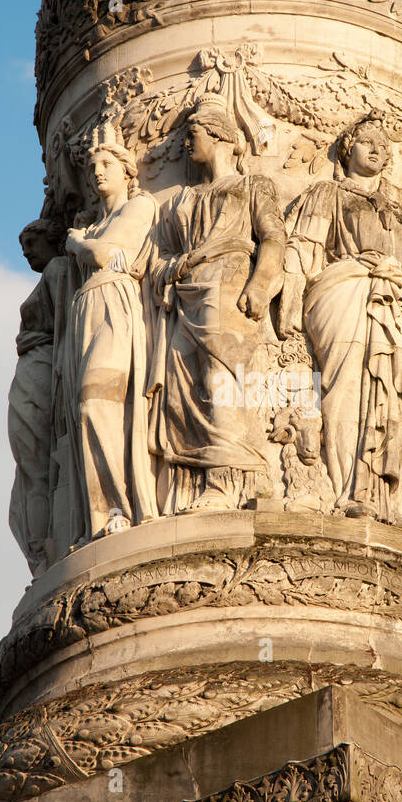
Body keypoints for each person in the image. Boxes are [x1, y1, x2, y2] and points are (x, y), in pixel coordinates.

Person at [148, 97, 285, 513]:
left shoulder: (251, 186)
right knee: (181, 391)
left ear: (221, 136)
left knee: (219, 380)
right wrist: (175, 268)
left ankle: (227, 481)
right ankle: (194, 481)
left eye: (193, 135)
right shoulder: (180, 201)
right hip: (188, 291)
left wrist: (260, 286)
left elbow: (274, 238)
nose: (187, 144)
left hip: (228, 285)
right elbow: (160, 258)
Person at [279, 116, 402, 523]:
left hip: (389, 298)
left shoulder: (398, 210)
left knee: (389, 393)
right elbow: (302, 247)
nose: (377, 149)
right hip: (344, 289)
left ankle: (374, 490)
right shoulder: (328, 193)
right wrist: (288, 302)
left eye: (383, 144)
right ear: (347, 150)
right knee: (345, 387)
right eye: (367, 142)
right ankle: (343, 491)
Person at [63, 138, 159, 541]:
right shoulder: (95, 225)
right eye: (91, 167)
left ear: (127, 171)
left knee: (95, 401)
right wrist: (90, 244)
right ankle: (99, 518)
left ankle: (123, 505)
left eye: (106, 163)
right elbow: (100, 250)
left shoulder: (140, 206)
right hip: (84, 310)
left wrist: (76, 243)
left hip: (115, 301)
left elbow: (105, 256)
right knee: (82, 411)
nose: (97, 172)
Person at [7, 218, 68, 575]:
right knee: (30, 467)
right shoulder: (52, 272)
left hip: (43, 366)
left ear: (52, 239)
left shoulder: (58, 269)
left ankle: (44, 551)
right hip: (31, 368)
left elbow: (65, 325)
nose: (26, 251)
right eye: (23, 245)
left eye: (32, 242)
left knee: (37, 465)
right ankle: (40, 553)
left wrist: (63, 369)